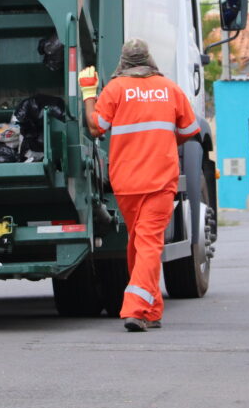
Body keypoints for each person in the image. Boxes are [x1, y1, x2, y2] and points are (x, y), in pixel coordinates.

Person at [80, 39, 200, 332]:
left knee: (140, 242)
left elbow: (96, 128)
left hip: (126, 181)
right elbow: (188, 131)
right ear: (149, 60)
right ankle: (136, 309)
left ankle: (152, 310)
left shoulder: (115, 90)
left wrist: (87, 94)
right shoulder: (170, 89)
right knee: (146, 243)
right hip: (160, 177)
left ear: (124, 62)